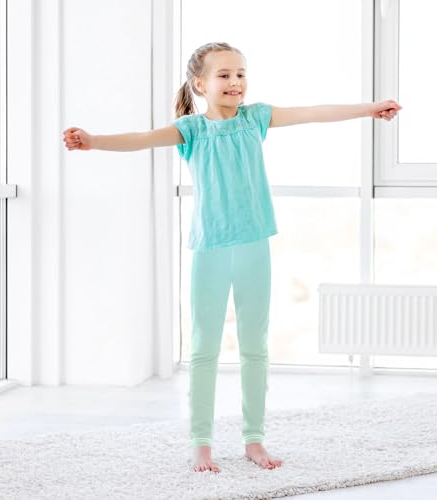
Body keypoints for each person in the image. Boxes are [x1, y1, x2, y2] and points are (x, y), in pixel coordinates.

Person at [62, 41, 402, 474]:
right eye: (224, 75)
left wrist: (369, 109)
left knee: (255, 348)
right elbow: (142, 140)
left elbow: (313, 112)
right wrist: (93, 141)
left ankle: (253, 440)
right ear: (200, 84)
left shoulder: (255, 118)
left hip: (254, 246)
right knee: (204, 349)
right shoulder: (191, 130)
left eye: (241, 74)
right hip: (210, 249)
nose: (235, 82)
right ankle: (201, 444)